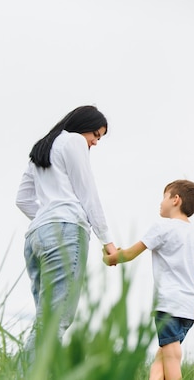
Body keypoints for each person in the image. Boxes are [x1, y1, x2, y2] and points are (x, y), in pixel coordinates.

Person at [15, 105, 118, 362]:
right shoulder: (72, 141)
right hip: (65, 231)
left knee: (45, 318)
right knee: (55, 319)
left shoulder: (41, 149)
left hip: (36, 236)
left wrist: (47, 217)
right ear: (82, 125)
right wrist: (107, 239)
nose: (95, 142)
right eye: (95, 134)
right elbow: (87, 191)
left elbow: (22, 200)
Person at [103, 179, 194, 380]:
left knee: (171, 356)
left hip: (168, 304)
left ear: (176, 199)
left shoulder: (162, 228)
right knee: (163, 357)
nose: (160, 202)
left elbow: (131, 253)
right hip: (189, 307)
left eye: (164, 197)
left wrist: (111, 257)